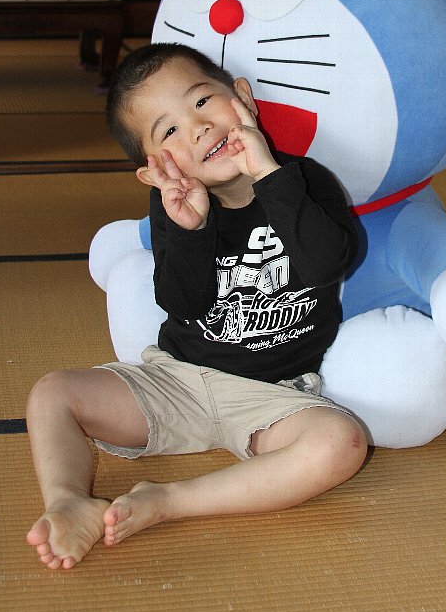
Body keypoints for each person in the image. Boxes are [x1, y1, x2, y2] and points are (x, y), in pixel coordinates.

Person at [26, 42, 367, 570]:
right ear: (153, 169)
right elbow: (182, 304)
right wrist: (191, 228)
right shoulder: (173, 206)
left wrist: (269, 176)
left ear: (242, 98)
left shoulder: (303, 179)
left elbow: (329, 264)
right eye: (169, 131)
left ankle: (168, 501)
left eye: (203, 102)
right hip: (178, 380)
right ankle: (68, 498)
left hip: (273, 396)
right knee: (52, 393)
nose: (199, 129)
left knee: (341, 443)